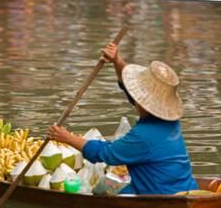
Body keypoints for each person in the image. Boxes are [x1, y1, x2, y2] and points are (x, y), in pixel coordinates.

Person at [47, 42, 198, 195]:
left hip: (159, 193)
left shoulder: (143, 135)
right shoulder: (171, 123)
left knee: (101, 192)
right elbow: (131, 91)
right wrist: (117, 61)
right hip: (187, 187)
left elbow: (106, 154)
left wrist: (67, 138)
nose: (134, 97)